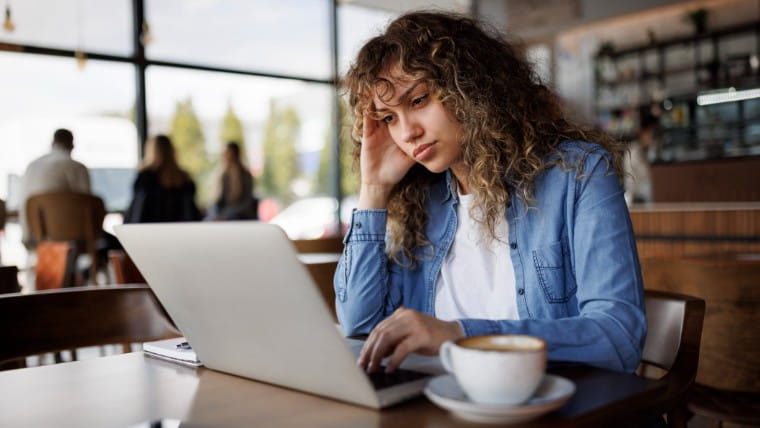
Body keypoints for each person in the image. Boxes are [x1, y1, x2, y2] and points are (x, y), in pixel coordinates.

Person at [336, 11, 646, 375]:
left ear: (470, 86)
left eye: (419, 100)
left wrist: (461, 335)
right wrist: (373, 191)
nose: (407, 132)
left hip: (558, 407)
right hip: (448, 405)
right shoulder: (424, 202)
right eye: (389, 118)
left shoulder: (577, 174)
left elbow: (618, 337)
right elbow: (359, 326)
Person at [19, 128, 90, 248]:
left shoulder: (32, 166)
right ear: (72, 145)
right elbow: (87, 204)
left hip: (34, 234)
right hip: (70, 236)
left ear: (52, 143)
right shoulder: (77, 167)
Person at [124, 135, 201, 223]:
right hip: (179, 229)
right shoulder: (184, 178)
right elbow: (190, 211)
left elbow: (138, 209)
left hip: (150, 229)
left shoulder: (145, 178)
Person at [205, 142, 258, 221]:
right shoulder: (221, 175)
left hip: (239, 216)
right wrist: (216, 213)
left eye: (229, 154)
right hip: (223, 215)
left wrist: (226, 214)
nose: (226, 157)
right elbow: (217, 202)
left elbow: (247, 203)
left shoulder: (245, 175)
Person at [624, 113, 656, 205]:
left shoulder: (645, 151)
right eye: (650, 133)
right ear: (642, 133)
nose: (651, 137)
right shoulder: (633, 152)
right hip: (637, 200)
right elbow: (630, 179)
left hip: (645, 199)